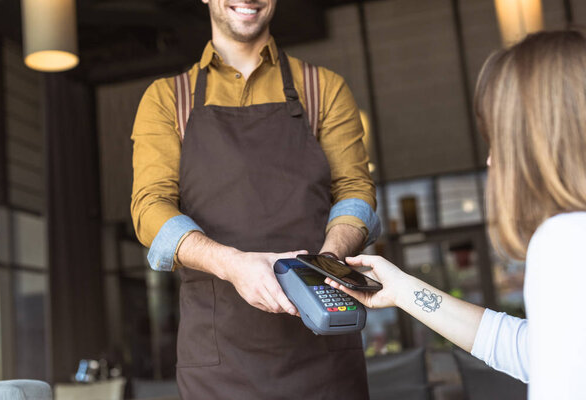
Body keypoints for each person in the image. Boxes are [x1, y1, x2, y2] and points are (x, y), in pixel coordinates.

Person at [131, 0, 380, 398]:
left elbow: (356, 191)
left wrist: (325, 265)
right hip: (219, 360)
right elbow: (149, 208)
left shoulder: (323, 89)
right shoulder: (166, 99)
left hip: (324, 348)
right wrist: (231, 264)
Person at [325, 30, 586, 399]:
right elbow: (535, 353)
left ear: (544, 139)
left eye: (500, 138)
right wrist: (401, 289)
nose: (491, 159)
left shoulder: (565, 239)